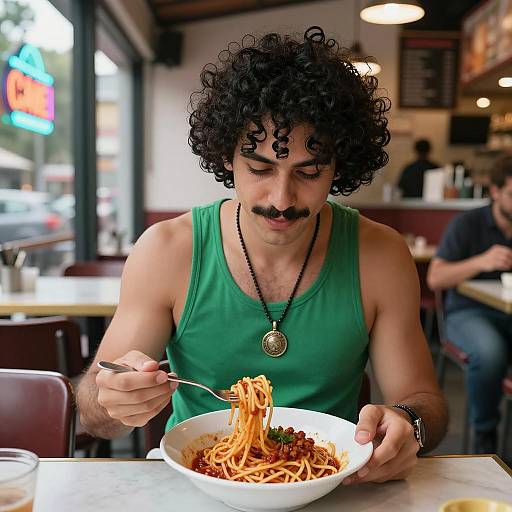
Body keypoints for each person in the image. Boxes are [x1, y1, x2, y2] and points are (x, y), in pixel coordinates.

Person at [77, 26, 447, 484]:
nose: (281, 197)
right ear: (226, 157)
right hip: (197, 481)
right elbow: (95, 413)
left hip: (333, 481)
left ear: (339, 168)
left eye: (309, 171)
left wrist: (408, 424)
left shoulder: (381, 255)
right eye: (260, 168)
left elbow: (423, 399)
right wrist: (116, 398)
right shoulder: (167, 251)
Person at [427, 152, 512, 454]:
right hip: (468, 312)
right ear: (496, 192)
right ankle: (485, 432)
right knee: (490, 353)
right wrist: (482, 260)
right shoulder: (468, 224)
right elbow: (436, 278)